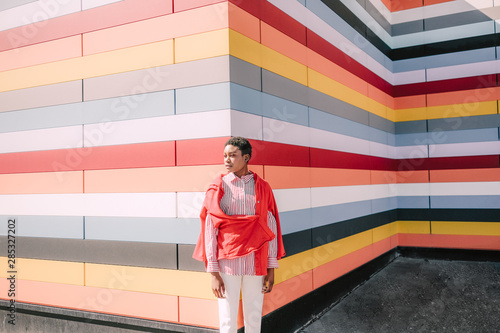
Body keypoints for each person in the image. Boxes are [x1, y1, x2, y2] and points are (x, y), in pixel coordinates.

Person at [193, 137, 285, 333]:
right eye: (225, 155)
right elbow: (210, 229)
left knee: (254, 316)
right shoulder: (218, 187)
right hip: (227, 263)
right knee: (227, 319)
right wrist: (213, 272)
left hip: (256, 261)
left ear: (246, 157)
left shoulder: (263, 187)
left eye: (232, 155)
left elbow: (271, 228)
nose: (227, 160)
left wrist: (271, 267)